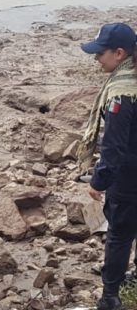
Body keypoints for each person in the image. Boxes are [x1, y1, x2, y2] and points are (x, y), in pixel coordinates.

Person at [79, 22, 137, 310]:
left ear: (119, 53)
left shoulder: (122, 94)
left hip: (129, 178)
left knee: (119, 235)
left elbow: (114, 147)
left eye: (100, 53)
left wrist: (98, 182)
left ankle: (110, 296)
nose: (96, 58)